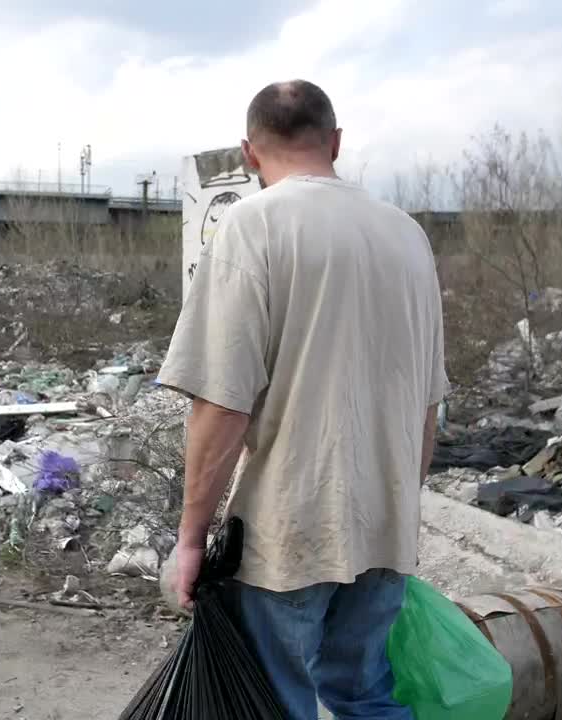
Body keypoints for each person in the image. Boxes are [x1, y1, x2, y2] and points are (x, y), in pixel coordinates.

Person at [156, 79, 447, 720]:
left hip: (292, 531)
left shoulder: (252, 226)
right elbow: (427, 406)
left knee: (272, 703)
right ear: (336, 142)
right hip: (386, 527)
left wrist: (190, 540)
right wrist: (399, 501)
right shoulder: (407, 237)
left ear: (249, 154)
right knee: (366, 695)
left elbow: (222, 405)